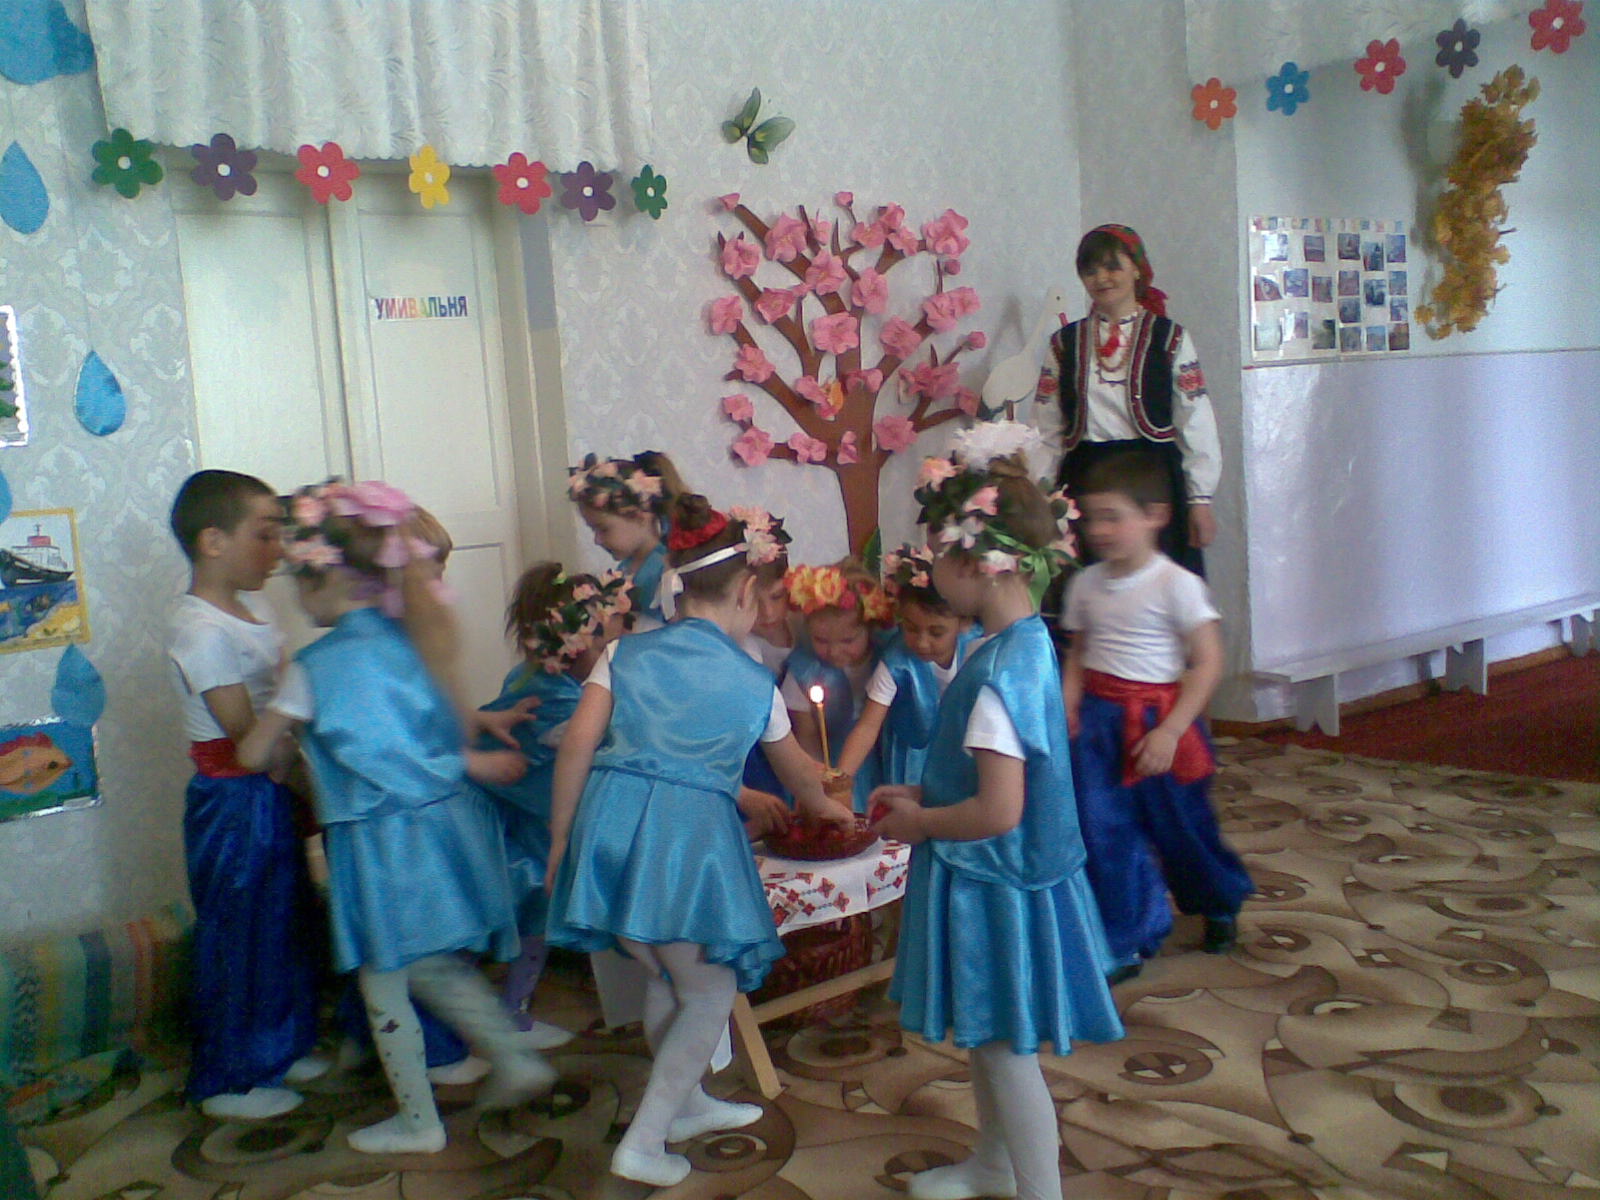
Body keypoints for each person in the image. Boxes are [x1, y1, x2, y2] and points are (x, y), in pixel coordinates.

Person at [543, 494, 854, 1188]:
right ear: (746, 592)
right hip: (682, 842)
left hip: (608, 826)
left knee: (669, 975)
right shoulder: (754, 682)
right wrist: (832, 810)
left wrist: (563, 840)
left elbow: (578, 746)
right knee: (711, 990)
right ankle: (646, 1138)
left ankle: (686, 1104)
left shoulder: (622, 651)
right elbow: (801, 778)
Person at [237, 479, 554, 1155]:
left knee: (384, 982)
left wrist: (273, 738)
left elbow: (257, 751)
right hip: (439, 831)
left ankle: (419, 1123)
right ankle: (511, 1055)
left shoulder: (315, 667)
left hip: (380, 846)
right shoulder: (412, 640)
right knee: (433, 965)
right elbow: (425, 729)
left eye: (297, 580)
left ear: (322, 578)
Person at [871, 424, 1124, 1200]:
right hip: (999, 875)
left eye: (935, 558)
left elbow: (999, 809)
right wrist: (922, 793)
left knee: (1007, 1053)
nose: (930, 573)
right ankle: (992, 1164)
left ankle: (1039, 1189)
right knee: (988, 1040)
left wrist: (920, 824)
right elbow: (994, 779)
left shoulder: (997, 674)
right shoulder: (1022, 644)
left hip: (995, 883)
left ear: (974, 562)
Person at [165, 470, 324, 1121]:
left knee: (284, 920)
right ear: (213, 541)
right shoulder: (199, 628)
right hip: (233, 803)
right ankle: (228, 1078)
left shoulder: (253, 612)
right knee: (240, 929)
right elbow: (245, 736)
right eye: (264, 535)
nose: (278, 550)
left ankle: (277, 1046)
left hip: (270, 788)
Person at [1061, 452, 1252, 978]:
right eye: (1090, 518)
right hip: (1098, 728)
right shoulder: (1085, 583)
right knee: (1102, 829)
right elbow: (1078, 652)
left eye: (1112, 517)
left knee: (1182, 829)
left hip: (1160, 723)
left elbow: (1208, 662)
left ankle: (1217, 900)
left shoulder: (1177, 584)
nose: (1099, 530)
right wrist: (1069, 703)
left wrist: (1171, 731)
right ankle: (1125, 938)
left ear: (1156, 515)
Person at [484, 561, 635, 1042]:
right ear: (579, 642)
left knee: (535, 922)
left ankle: (513, 1009)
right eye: (609, 640)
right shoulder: (559, 699)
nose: (617, 650)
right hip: (534, 831)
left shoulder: (530, 678)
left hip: (529, 823)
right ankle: (509, 1015)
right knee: (534, 919)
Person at [1033, 223, 1220, 580]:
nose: (1101, 278)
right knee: (1086, 584)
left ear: (1137, 269)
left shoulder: (1170, 338)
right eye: (1090, 270)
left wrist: (1200, 499)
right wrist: (1042, 495)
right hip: (1085, 479)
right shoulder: (1064, 343)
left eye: (1112, 266)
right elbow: (1046, 426)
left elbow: (1195, 417)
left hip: (1153, 481)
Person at [835, 544, 983, 788]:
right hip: (912, 755)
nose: (922, 643)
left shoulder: (978, 647)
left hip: (965, 748)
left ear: (962, 622)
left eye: (936, 632)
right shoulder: (897, 660)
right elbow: (868, 726)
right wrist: (840, 778)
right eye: (911, 628)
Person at [780, 558, 896, 812]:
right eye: (821, 640)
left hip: (889, 762)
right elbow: (807, 735)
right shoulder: (804, 669)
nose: (834, 651)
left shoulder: (888, 660)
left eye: (847, 640)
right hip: (830, 764)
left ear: (869, 628)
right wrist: (822, 781)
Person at [566, 450, 688, 624]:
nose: (597, 540)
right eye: (593, 530)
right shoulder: (626, 567)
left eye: (603, 529)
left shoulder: (665, 568)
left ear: (640, 516)